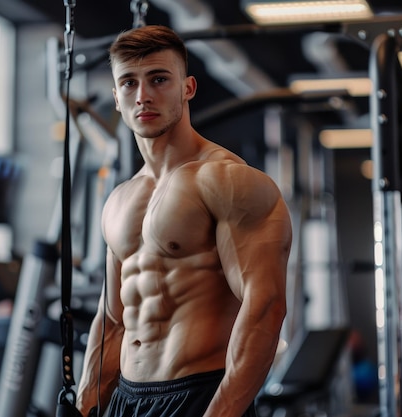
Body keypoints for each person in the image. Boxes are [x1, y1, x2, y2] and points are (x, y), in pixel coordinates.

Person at [75, 24, 292, 417]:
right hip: (127, 399)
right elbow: (111, 317)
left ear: (187, 88)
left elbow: (266, 306)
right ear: (116, 96)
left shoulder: (228, 180)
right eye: (128, 83)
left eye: (158, 79)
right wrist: (86, 400)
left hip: (199, 395)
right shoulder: (119, 199)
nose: (143, 96)